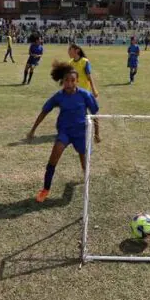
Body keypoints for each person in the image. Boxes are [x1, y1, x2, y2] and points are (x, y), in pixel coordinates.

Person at [27, 61, 100, 203]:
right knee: (53, 158)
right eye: (67, 80)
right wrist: (33, 130)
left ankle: (86, 181)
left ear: (77, 81)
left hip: (81, 133)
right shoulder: (58, 96)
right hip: (64, 132)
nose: (70, 83)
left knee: (84, 162)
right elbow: (44, 111)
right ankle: (45, 189)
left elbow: (95, 114)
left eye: (73, 80)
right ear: (62, 81)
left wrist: (97, 133)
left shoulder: (85, 95)